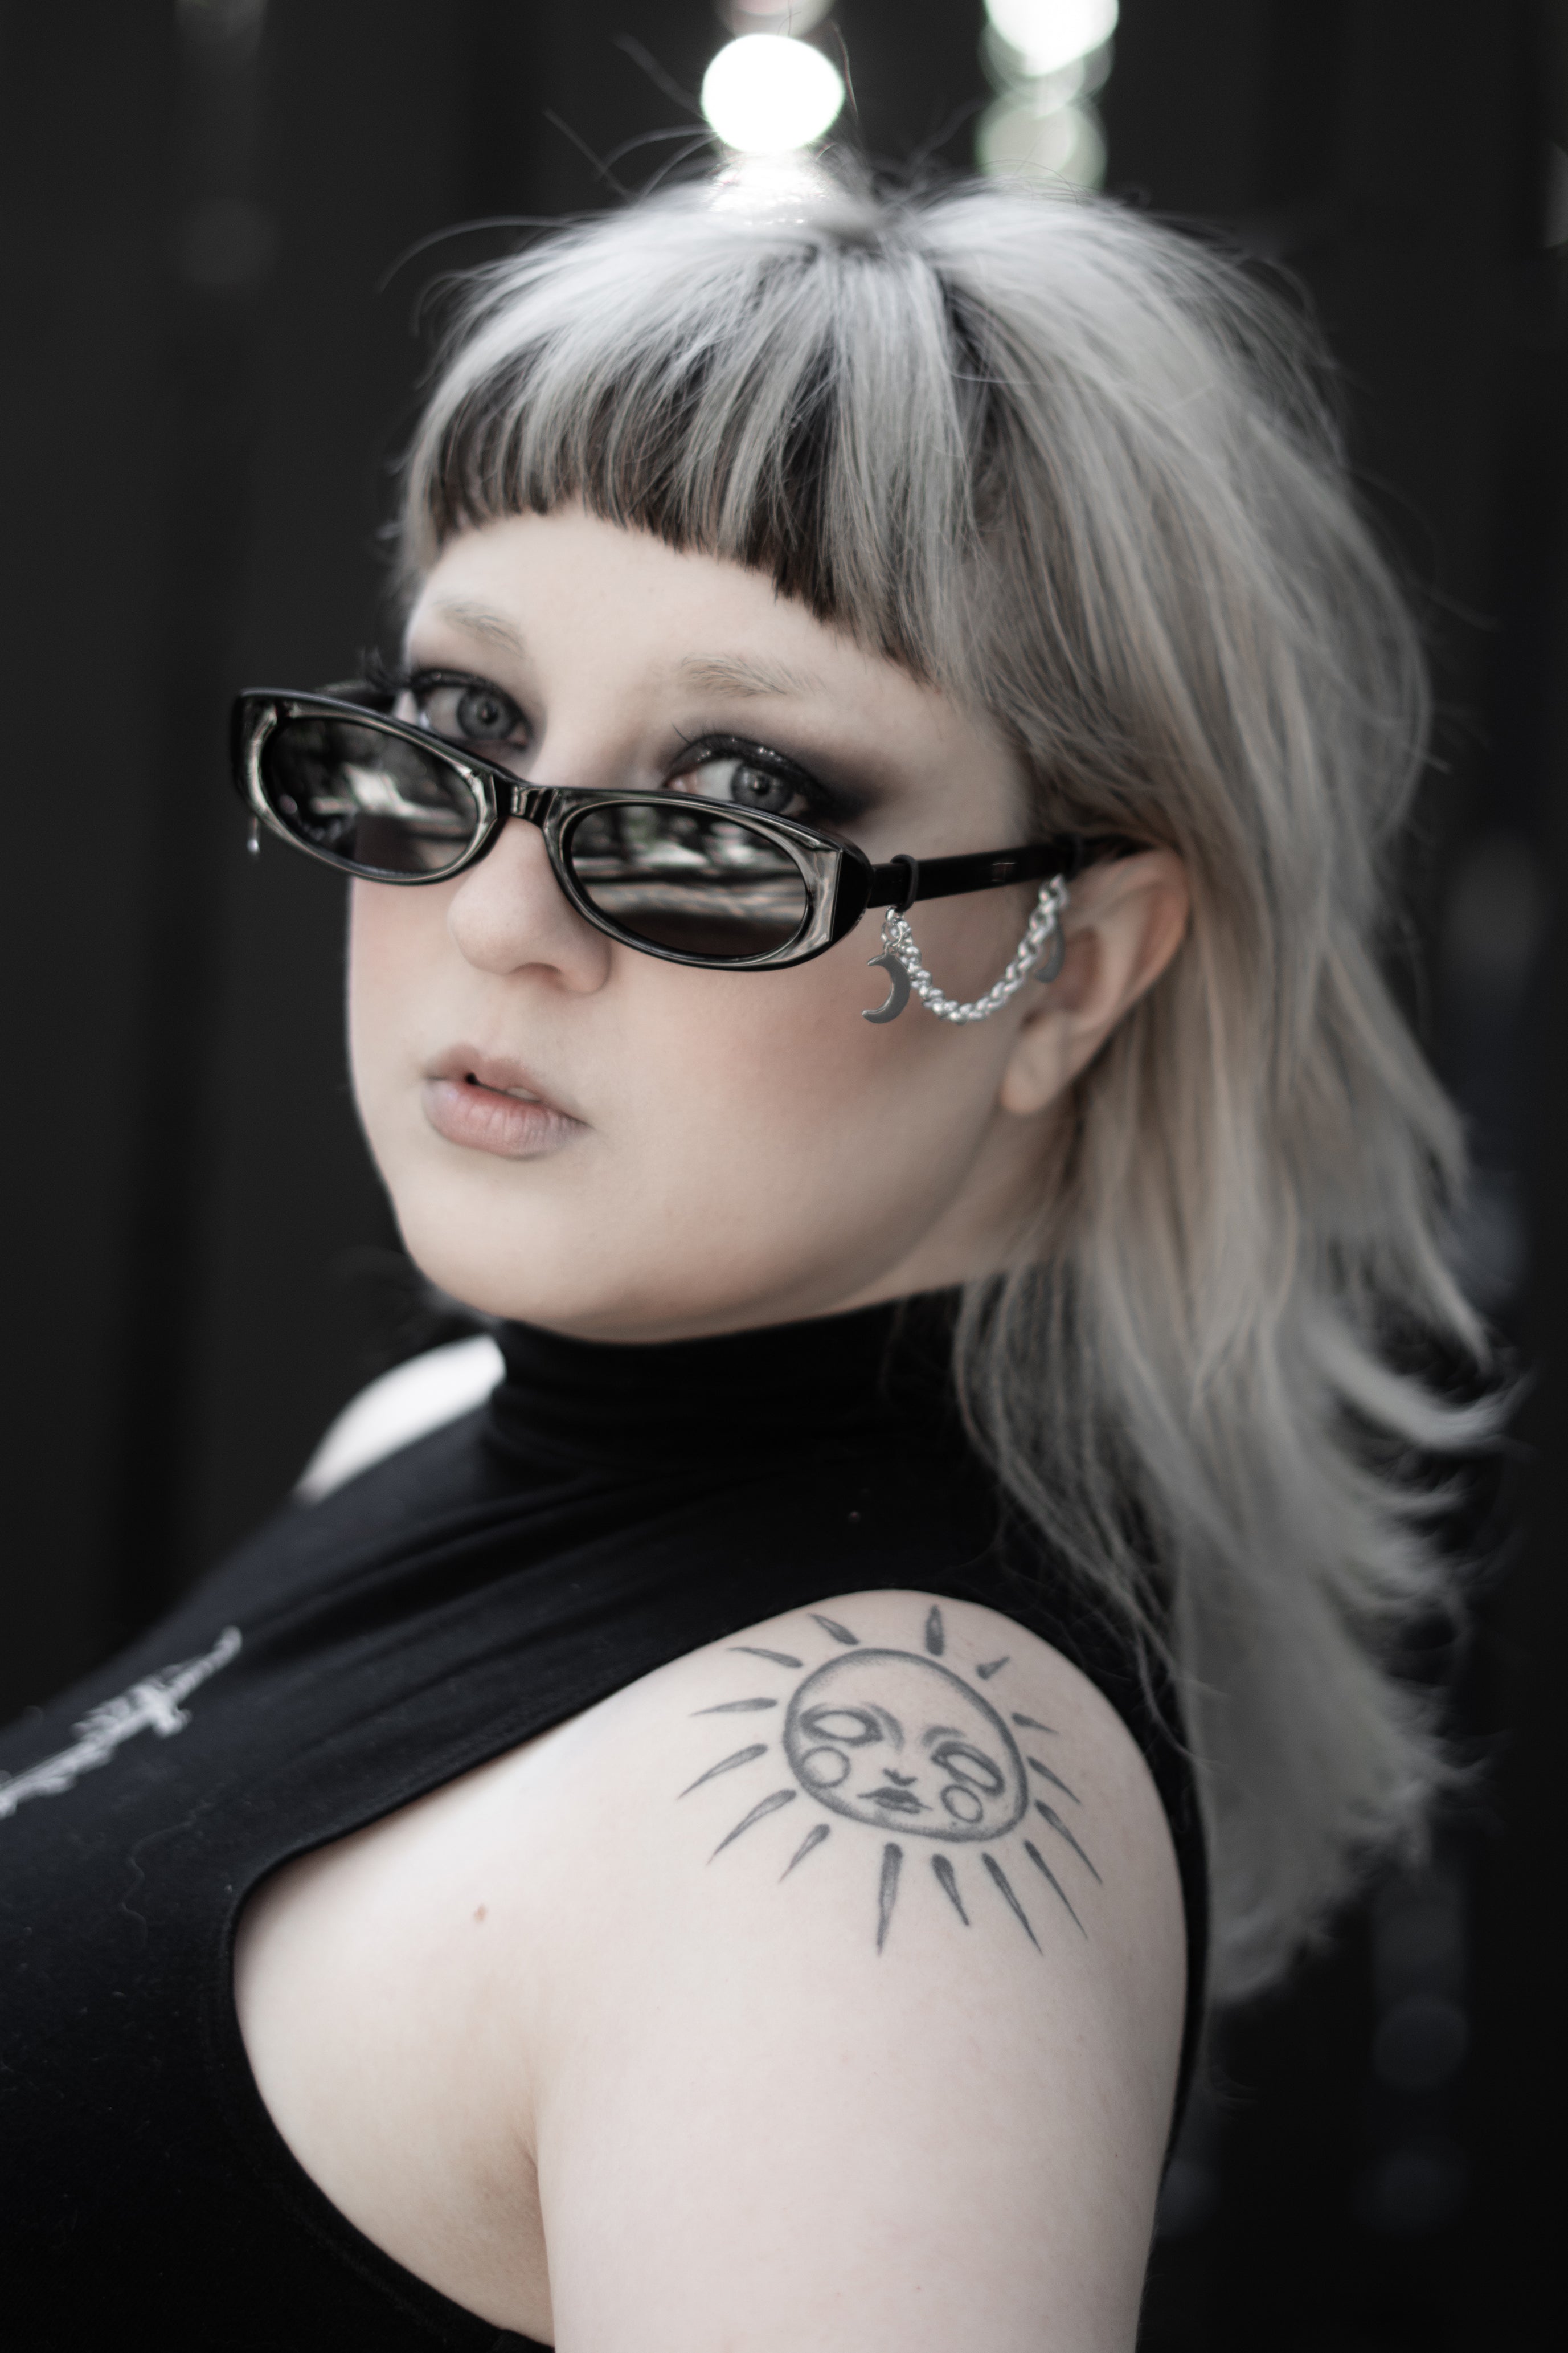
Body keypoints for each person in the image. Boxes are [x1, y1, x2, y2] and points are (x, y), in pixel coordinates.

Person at [0, 167, 1490, 2350]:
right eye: (468, 722)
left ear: (1072, 968)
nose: (499, 914)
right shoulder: (429, 1423)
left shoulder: (866, 1890)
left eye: (738, 800)